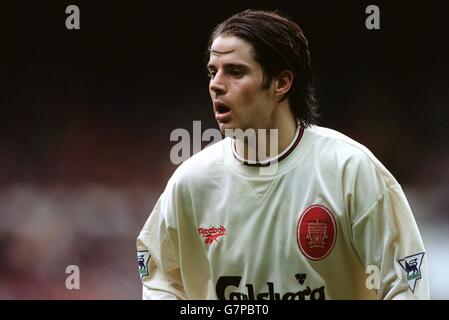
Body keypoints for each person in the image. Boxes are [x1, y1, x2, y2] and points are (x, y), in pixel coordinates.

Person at [136, 9, 429, 300]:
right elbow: (160, 279)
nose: (216, 84)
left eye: (235, 71)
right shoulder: (192, 182)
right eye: (213, 71)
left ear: (281, 83)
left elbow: (405, 282)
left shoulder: (349, 170)